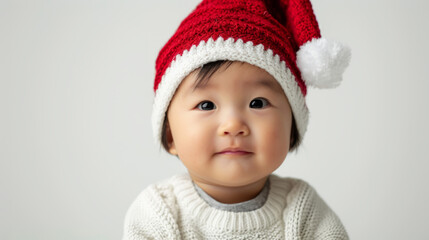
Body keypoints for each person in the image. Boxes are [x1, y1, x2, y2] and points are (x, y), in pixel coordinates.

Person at [122, 0, 351, 239]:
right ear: (170, 136)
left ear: (292, 128)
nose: (233, 125)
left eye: (258, 103)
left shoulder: (304, 210)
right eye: (206, 105)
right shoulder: (157, 213)